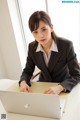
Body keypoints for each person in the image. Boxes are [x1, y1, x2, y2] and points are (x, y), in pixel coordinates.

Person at [19, 10, 80, 94]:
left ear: (51, 27)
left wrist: (60, 87)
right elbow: (27, 71)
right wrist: (23, 82)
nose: (40, 35)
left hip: (62, 88)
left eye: (44, 29)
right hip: (43, 87)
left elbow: (76, 75)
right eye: (35, 32)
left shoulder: (66, 45)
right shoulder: (32, 47)